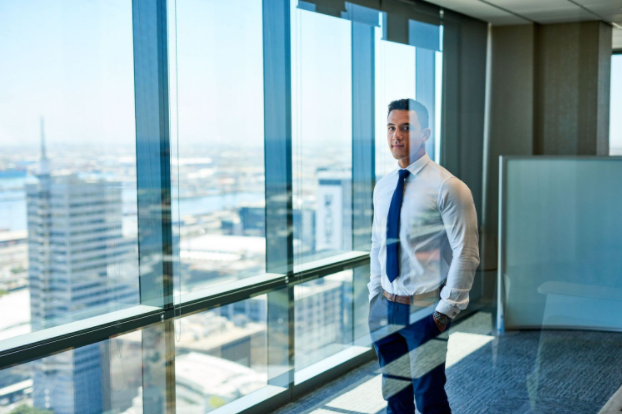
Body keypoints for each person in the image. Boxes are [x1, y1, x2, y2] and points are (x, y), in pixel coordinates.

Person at [368, 99, 480, 414]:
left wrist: (444, 312)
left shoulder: (448, 187)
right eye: (391, 127)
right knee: (394, 396)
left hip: (424, 311)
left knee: (429, 398)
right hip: (384, 308)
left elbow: (466, 253)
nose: (396, 136)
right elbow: (379, 243)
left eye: (406, 127)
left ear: (425, 133)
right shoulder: (384, 186)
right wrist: (375, 294)